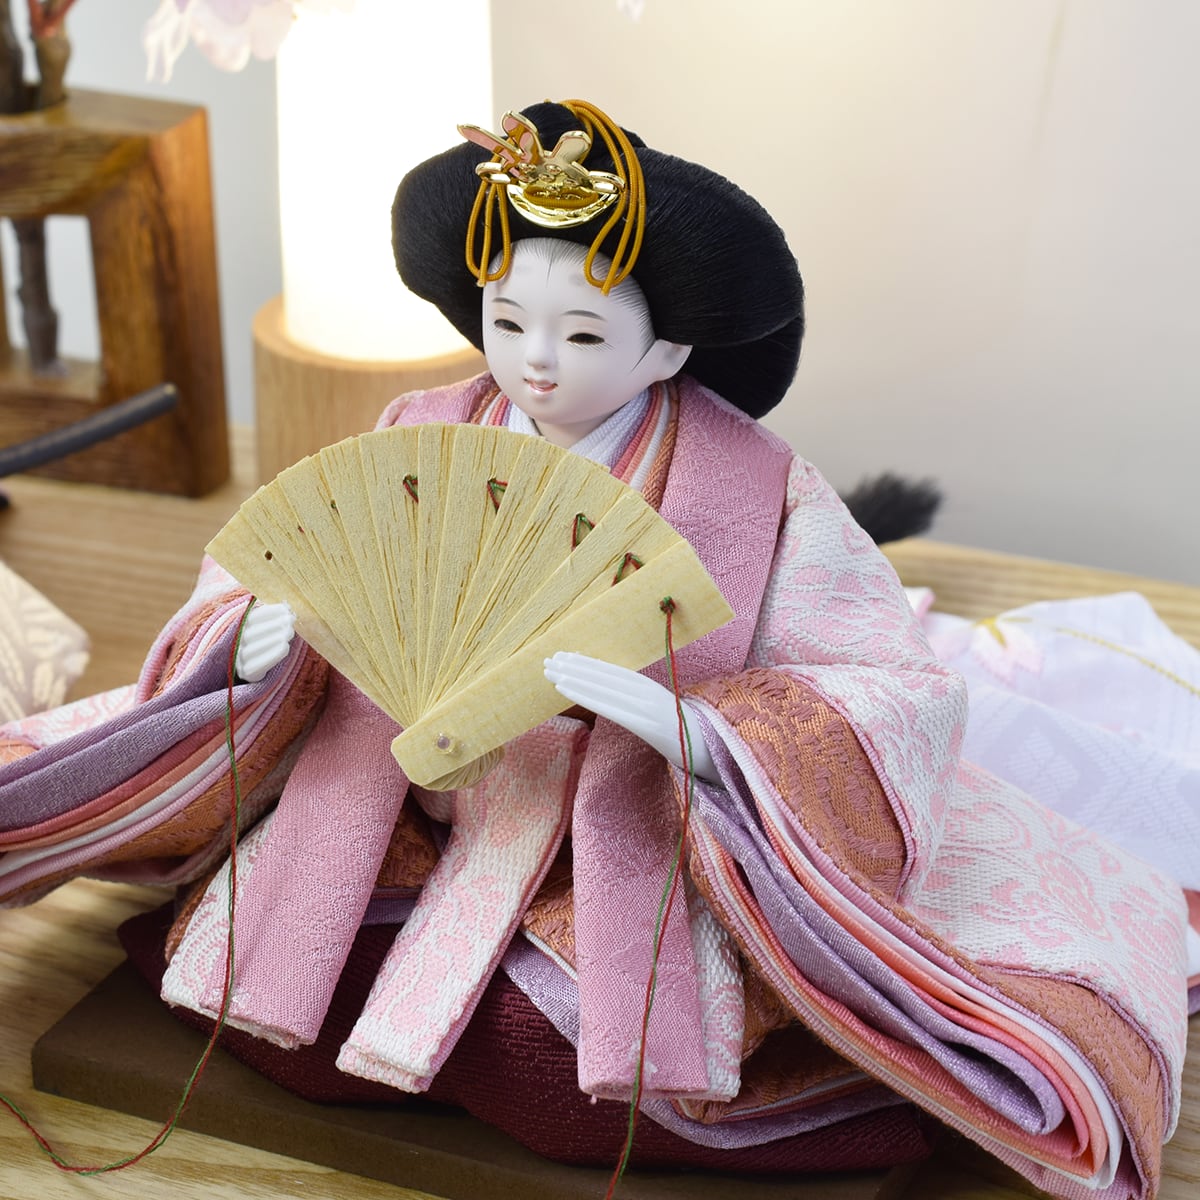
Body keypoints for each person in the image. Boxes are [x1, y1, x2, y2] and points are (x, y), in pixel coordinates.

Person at [0, 101, 1189, 1197]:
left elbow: (891, 683)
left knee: (559, 1075)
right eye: (508, 321)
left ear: (667, 350)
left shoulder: (759, 491)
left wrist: (706, 733)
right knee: (275, 1003)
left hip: (616, 831)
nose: (536, 359)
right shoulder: (423, 430)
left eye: (581, 331)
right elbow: (282, 559)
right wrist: (254, 644)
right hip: (405, 804)